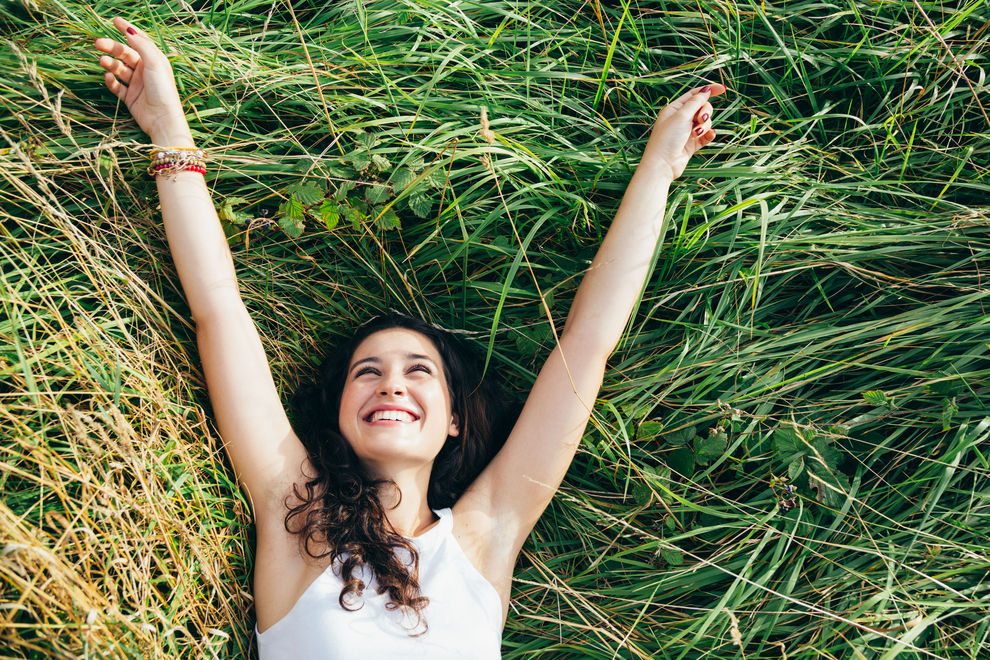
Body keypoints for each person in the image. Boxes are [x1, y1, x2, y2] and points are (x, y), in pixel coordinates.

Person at [94, 16, 725, 658]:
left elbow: (588, 343)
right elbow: (219, 311)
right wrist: (169, 132)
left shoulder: (485, 535)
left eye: (419, 370)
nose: (391, 380)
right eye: (366, 371)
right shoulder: (296, 520)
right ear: (338, 413)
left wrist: (660, 166)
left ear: (454, 419)